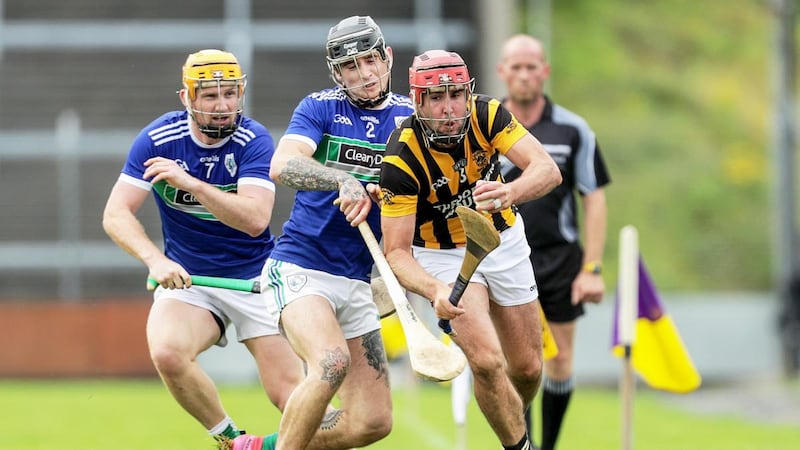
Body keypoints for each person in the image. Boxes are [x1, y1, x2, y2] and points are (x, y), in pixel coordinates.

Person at [102, 49, 304, 450]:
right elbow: (115, 214)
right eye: (210, 96)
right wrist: (155, 259)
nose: (222, 105)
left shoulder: (254, 140)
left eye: (229, 93)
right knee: (168, 352)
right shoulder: (158, 139)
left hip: (256, 278)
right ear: (186, 98)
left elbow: (255, 219)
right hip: (192, 281)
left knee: (293, 396)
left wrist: (190, 183)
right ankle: (233, 441)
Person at [232, 16, 414, 450]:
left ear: (387, 57)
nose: (364, 74)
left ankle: (265, 447)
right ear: (337, 73)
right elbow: (284, 165)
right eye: (351, 66)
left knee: (372, 422)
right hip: (302, 267)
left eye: (370, 60)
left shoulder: (411, 119)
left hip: (359, 280)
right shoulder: (320, 107)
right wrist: (342, 180)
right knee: (330, 362)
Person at [379, 49, 562, 450]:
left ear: (469, 92)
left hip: (502, 239)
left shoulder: (488, 115)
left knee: (529, 369)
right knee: (486, 361)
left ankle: (511, 421)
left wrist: (510, 191)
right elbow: (396, 254)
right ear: (417, 100)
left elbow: (547, 169)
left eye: (456, 95)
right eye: (437, 98)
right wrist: (434, 291)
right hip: (441, 254)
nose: (449, 108)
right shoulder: (401, 157)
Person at [496, 34, 611, 450]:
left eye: (532, 67)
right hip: (504, 260)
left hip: (560, 259)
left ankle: (549, 446)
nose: (524, 74)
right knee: (520, 364)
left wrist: (592, 268)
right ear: (502, 72)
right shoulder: (486, 127)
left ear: (544, 71)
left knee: (559, 360)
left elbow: (594, 197)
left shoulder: (572, 129)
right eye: (516, 66)